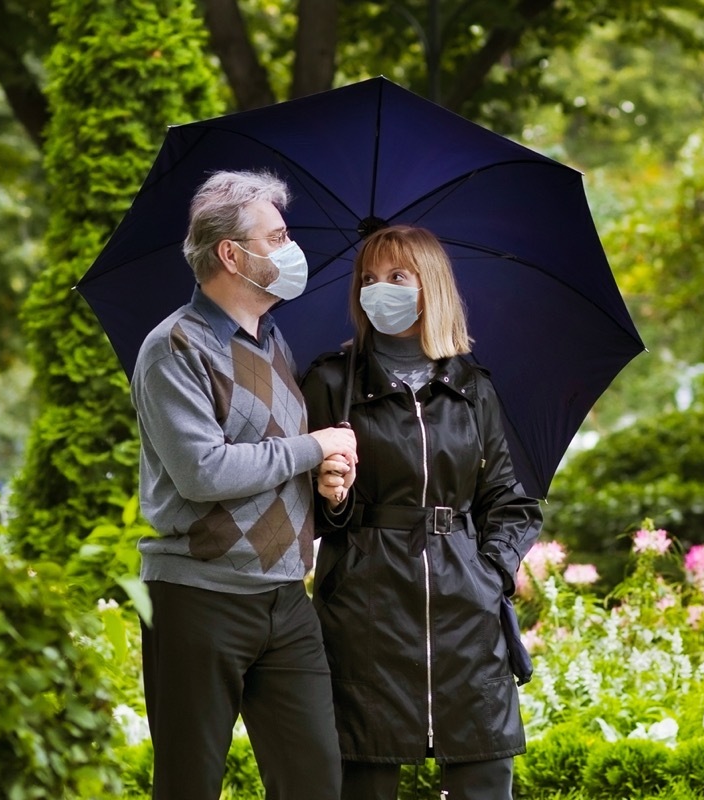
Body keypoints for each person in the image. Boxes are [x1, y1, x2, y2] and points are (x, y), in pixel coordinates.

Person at [130, 169, 357, 799]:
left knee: (314, 780)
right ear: (232, 254)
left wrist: (325, 482)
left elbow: (272, 463)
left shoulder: (275, 342)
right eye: (277, 236)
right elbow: (203, 471)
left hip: (285, 598)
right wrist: (312, 446)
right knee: (189, 783)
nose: (291, 249)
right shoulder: (175, 347)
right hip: (198, 599)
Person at [300, 225, 543, 800]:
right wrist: (331, 497)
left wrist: (491, 575)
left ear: (429, 285)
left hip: (468, 613)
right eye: (368, 279)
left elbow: (511, 502)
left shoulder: (473, 387)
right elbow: (296, 505)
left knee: (484, 779)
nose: (377, 290)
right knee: (365, 780)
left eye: (396, 277)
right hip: (364, 612)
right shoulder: (329, 382)